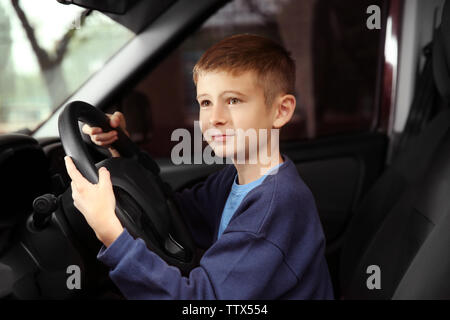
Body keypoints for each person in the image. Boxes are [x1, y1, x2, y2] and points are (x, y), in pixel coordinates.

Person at [64, 34, 334, 299]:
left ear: (281, 111)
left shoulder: (276, 206)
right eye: (205, 102)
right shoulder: (231, 180)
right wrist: (121, 153)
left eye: (233, 100)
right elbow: (171, 211)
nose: (215, 118)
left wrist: (111, 233)